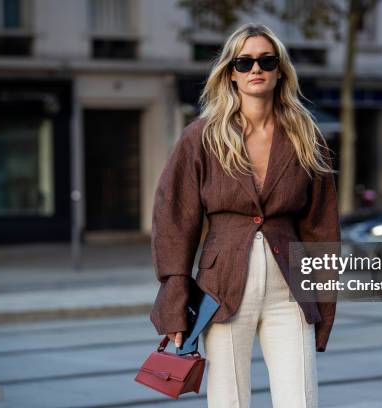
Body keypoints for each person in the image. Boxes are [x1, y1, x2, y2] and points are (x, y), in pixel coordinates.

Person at [149, 23, 341, 407]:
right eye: (245, 62)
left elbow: (321, 225)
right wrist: (174, 297)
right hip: (222, 290)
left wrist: (323, 298)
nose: (256, 69)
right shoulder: (201, 137)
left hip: (290, 288)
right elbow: (174, 217)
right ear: (230, 72)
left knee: (301, 399)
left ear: (279, 70)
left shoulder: (306, 136)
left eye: (266, 61)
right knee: (230, 400)